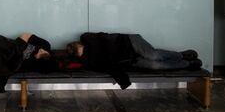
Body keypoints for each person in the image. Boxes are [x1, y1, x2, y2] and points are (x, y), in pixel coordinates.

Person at [66, 32, 202, 89]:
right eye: (80, 53)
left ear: (79, 44)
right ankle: (187, 64)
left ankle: (182, 55)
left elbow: (103, 38)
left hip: (130, 42)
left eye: (79, 48)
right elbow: (110, 68)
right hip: (131, 60)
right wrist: (123, 80)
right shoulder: (92, 62)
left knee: (153, 55)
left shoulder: (88, 38)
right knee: (155, 65)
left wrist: (89, 50)